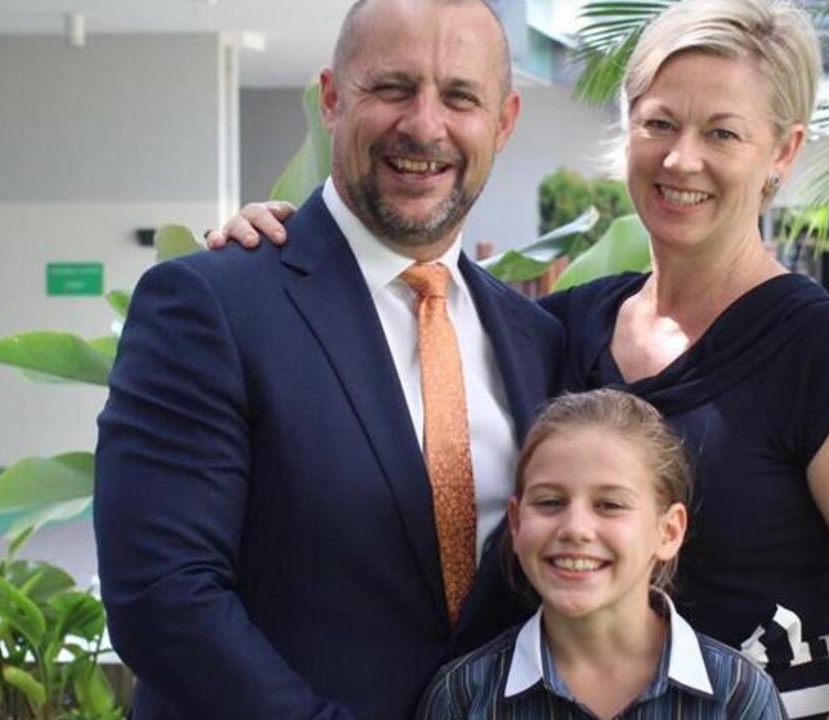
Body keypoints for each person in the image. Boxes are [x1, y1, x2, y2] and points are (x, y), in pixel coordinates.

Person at [214, 1, 829, 717]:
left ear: (781, 153)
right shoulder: (557, 328)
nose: (681, 157)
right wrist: (294, 247)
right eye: (659, 123)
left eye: (722, 133)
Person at [93, 1, 562, 719]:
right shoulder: (211, 304)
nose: (424, 124)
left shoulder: (539, 339)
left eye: (460, 96)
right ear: (333, 99)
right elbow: (163, 598)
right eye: (393, 87)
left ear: (502, 122)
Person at [418, 389, 787, 719]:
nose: (575, 527)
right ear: (515, 523)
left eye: (609, 504)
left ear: (669, 531)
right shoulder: (465, 697)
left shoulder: (736, 696)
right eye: (550, 502)